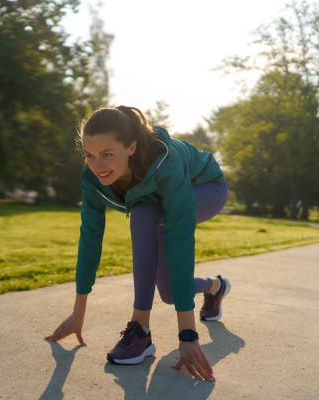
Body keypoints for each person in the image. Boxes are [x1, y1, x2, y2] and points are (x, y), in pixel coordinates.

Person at [45, 106, 230, 382]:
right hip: (157, 201)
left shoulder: (166, 165)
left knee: (143, 213)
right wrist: (77, 312)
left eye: (107, 154)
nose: (98, 166)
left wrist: (188, 335)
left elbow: (179, 242)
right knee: (169, 293)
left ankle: (139, 331)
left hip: (205, 187)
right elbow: (90, 239)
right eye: (90, 155)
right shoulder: (92, 178)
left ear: (131, 147)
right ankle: (217, 286)